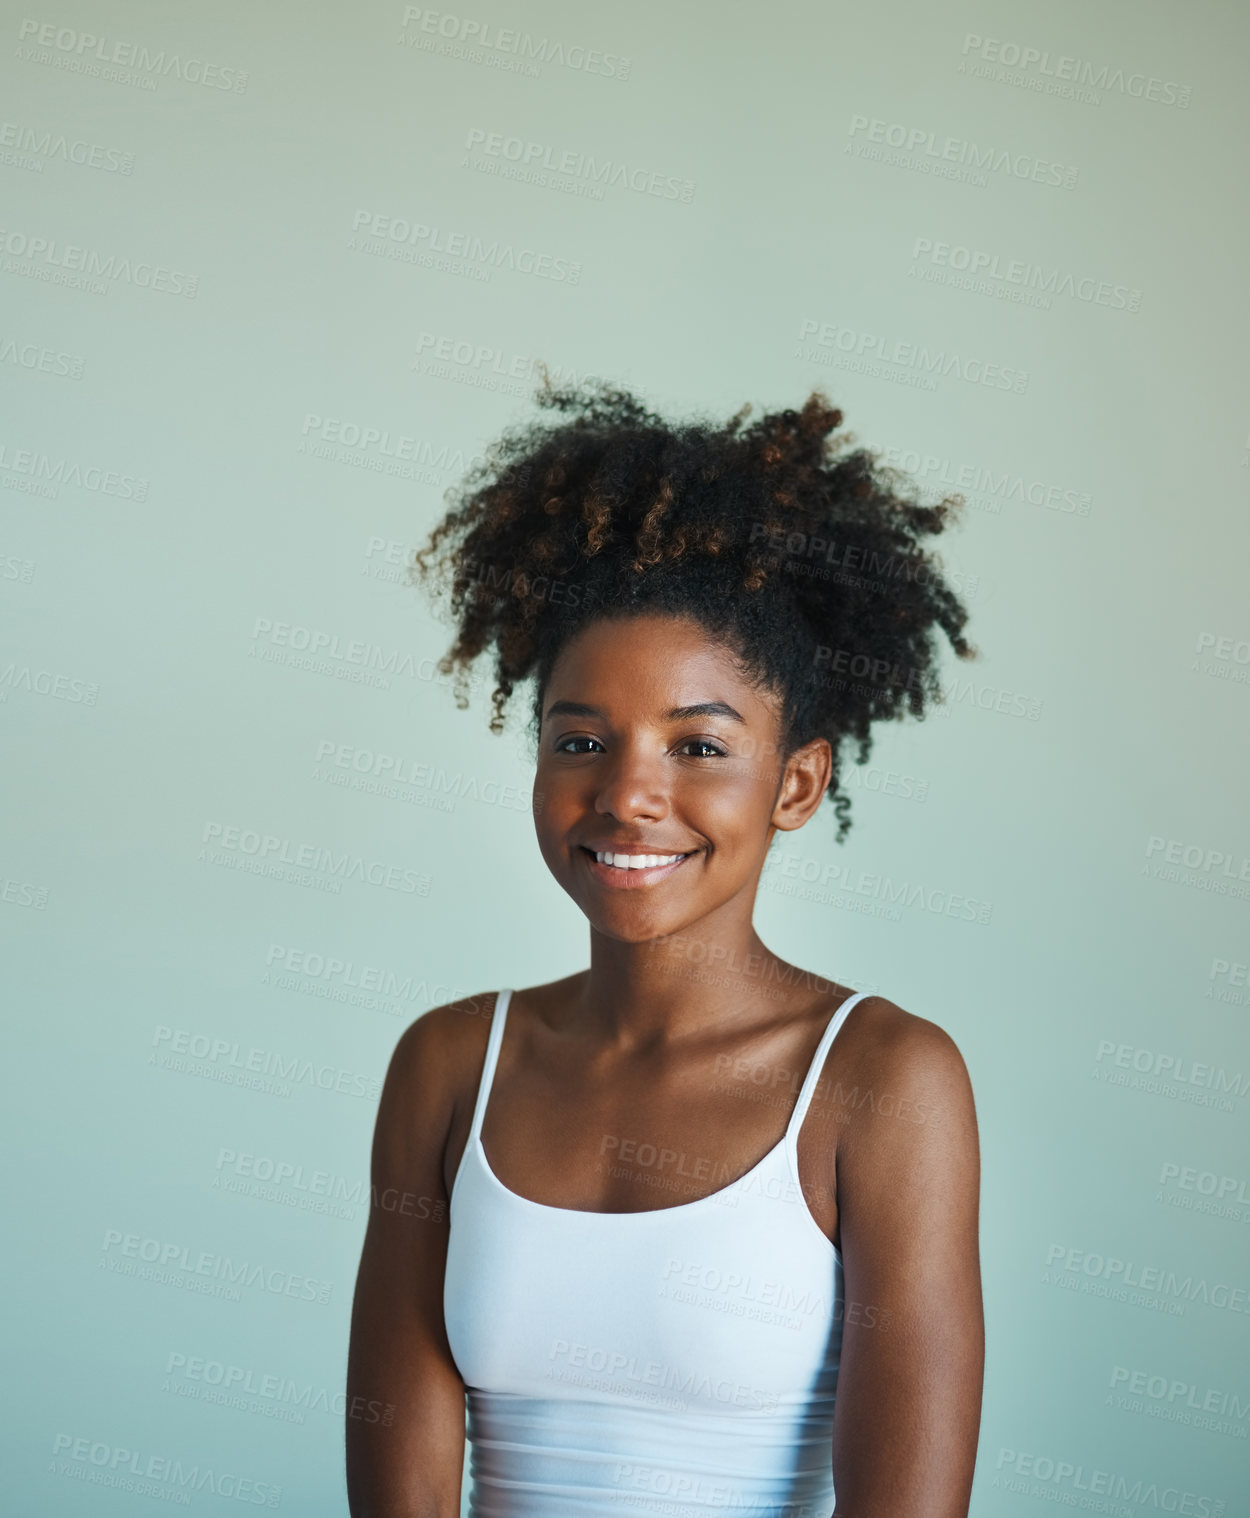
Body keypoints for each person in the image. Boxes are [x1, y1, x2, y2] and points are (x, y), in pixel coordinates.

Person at [345, 375, 984, 1518]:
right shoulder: (449, 1064)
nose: (629, 796)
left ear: (794, 784)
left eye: (697, 749)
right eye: (580, 738)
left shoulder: (885, 1081)